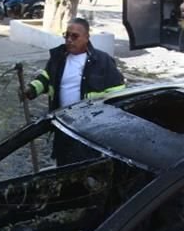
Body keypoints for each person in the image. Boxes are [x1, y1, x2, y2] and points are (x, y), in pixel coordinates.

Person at [24, 17, 125, 163]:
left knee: (84, 166)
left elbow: (118, 94)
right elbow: (46, 77)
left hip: (89, 129)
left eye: (75, 36)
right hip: (62, 124)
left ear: (86, 37)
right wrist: (32, 90)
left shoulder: (102, 61)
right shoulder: (59, 57)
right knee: (63, 165)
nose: (69, 40)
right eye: (67, 35)